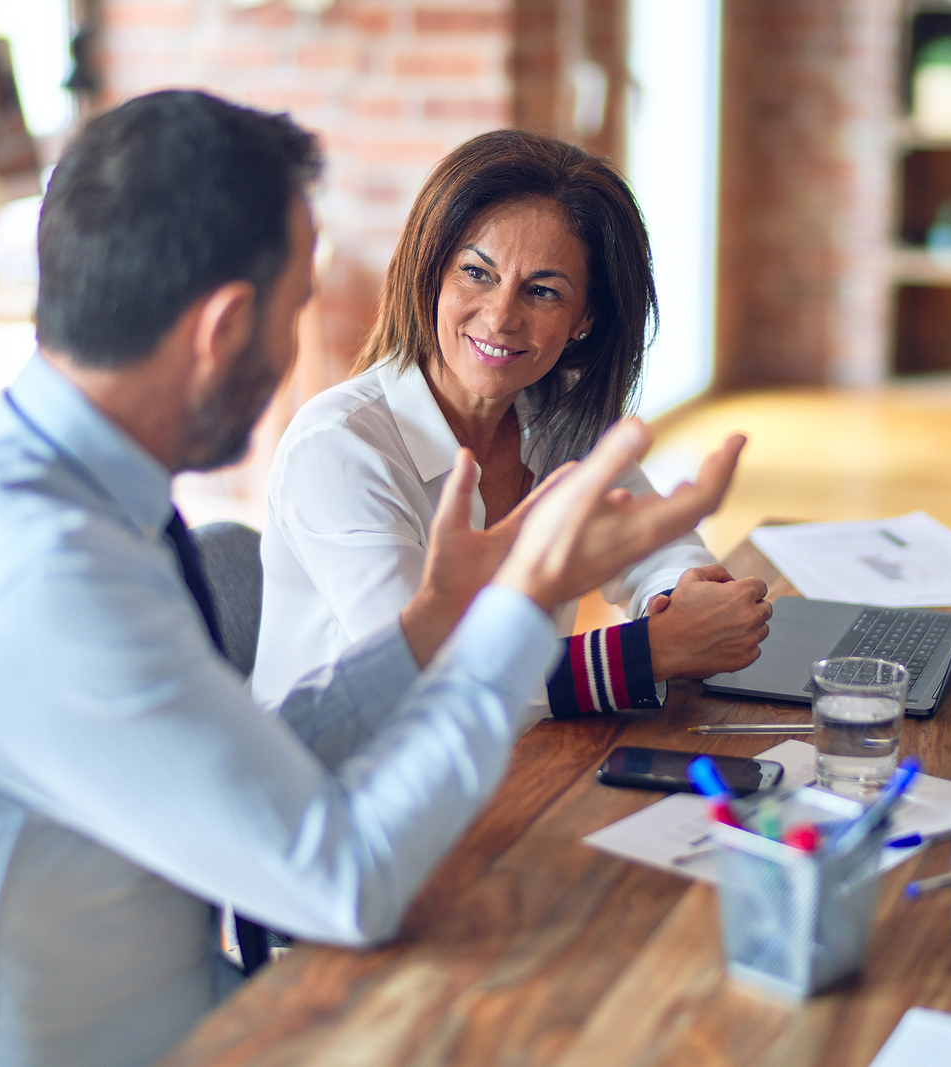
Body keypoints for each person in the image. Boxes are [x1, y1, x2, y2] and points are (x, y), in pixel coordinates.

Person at [0, 91, 746, 1067]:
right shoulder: (52, 576)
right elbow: (344, 877)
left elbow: (262, 756)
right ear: (223, 327)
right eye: (299, 305)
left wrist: (429, 623)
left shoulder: (36, 483)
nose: (304, 342)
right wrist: (512, 611)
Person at [253, 129, 771, 715]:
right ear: (432, 273)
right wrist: (649, 651)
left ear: (585, 320)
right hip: (339, 781)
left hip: (503, 762)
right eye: (477, 273)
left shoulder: (559, 415)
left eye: (543, 291)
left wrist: (681, 599)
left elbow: (657, 551)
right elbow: (431, 678)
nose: (500, 318)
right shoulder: (339, 449)